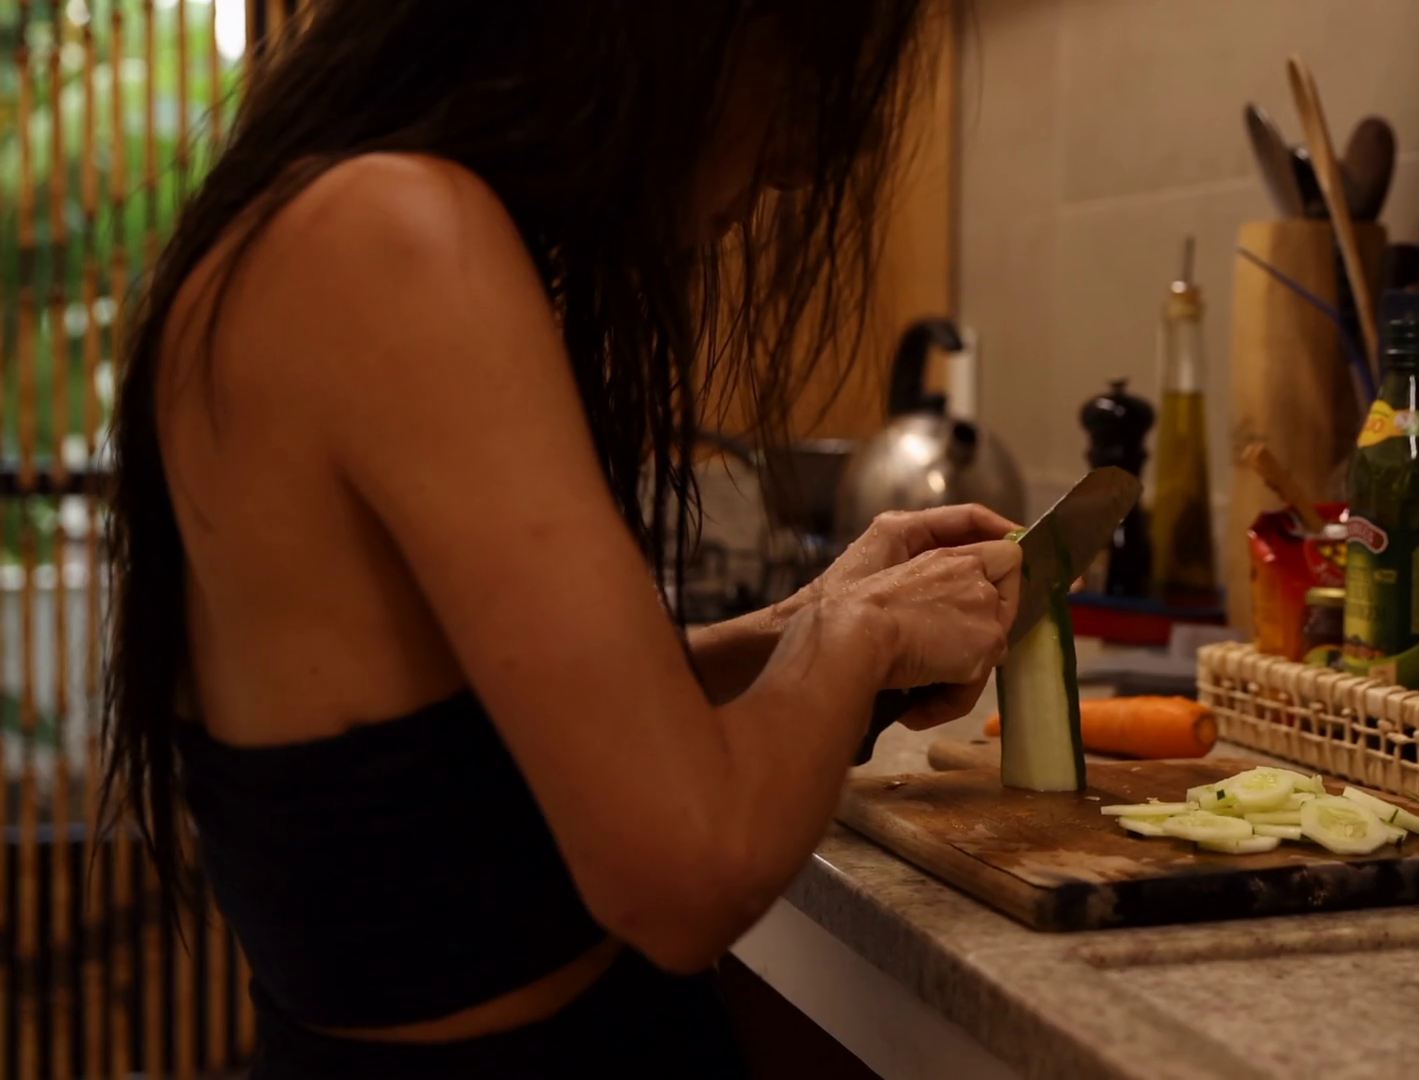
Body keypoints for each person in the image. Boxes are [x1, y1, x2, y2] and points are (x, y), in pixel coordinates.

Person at [101, 2, 1018, 1076]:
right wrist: (859, 639)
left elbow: (490, 742)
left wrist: (803, 623)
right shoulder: (393, 232)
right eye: (795, 70)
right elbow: (688, 873)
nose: (798, 164)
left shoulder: (333, 221)